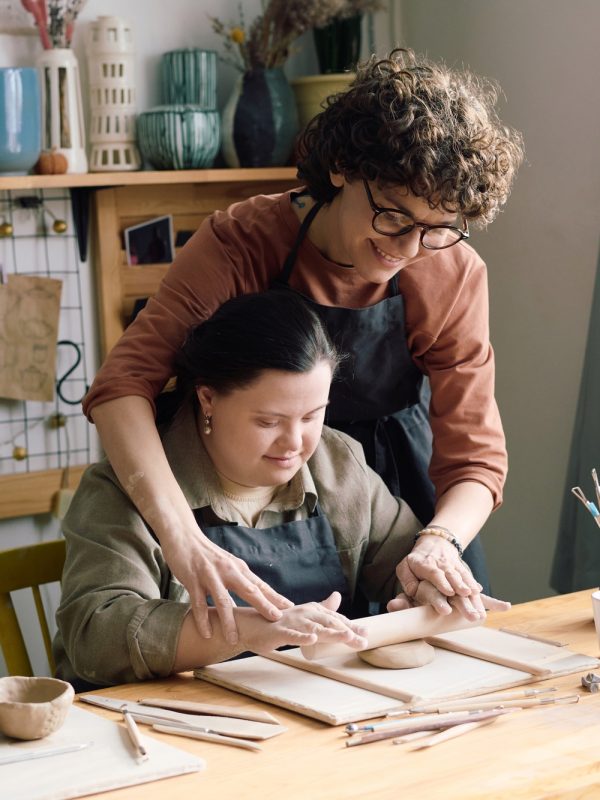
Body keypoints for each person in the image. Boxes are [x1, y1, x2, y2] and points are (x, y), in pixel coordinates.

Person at [82, 49, 524, 644]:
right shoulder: (241, 244)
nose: (411, 248)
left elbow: (475, 458)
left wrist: (439, 541)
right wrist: (180, 535)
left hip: (389, 497)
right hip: (241, 482)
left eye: (439, 227)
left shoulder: (451, 272)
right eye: (394, 216)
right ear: (343, 166)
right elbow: (122, 387)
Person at [54, 292, 508, 688]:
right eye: (269, 422)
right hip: (165, 731)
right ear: (207, 398)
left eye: (312, 416)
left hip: (316, 711)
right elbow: (96, 635)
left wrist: (427, 589)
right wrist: (250, 631)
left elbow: (400, 563)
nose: (295, 444)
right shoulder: (120, 490)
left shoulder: (336, 463)